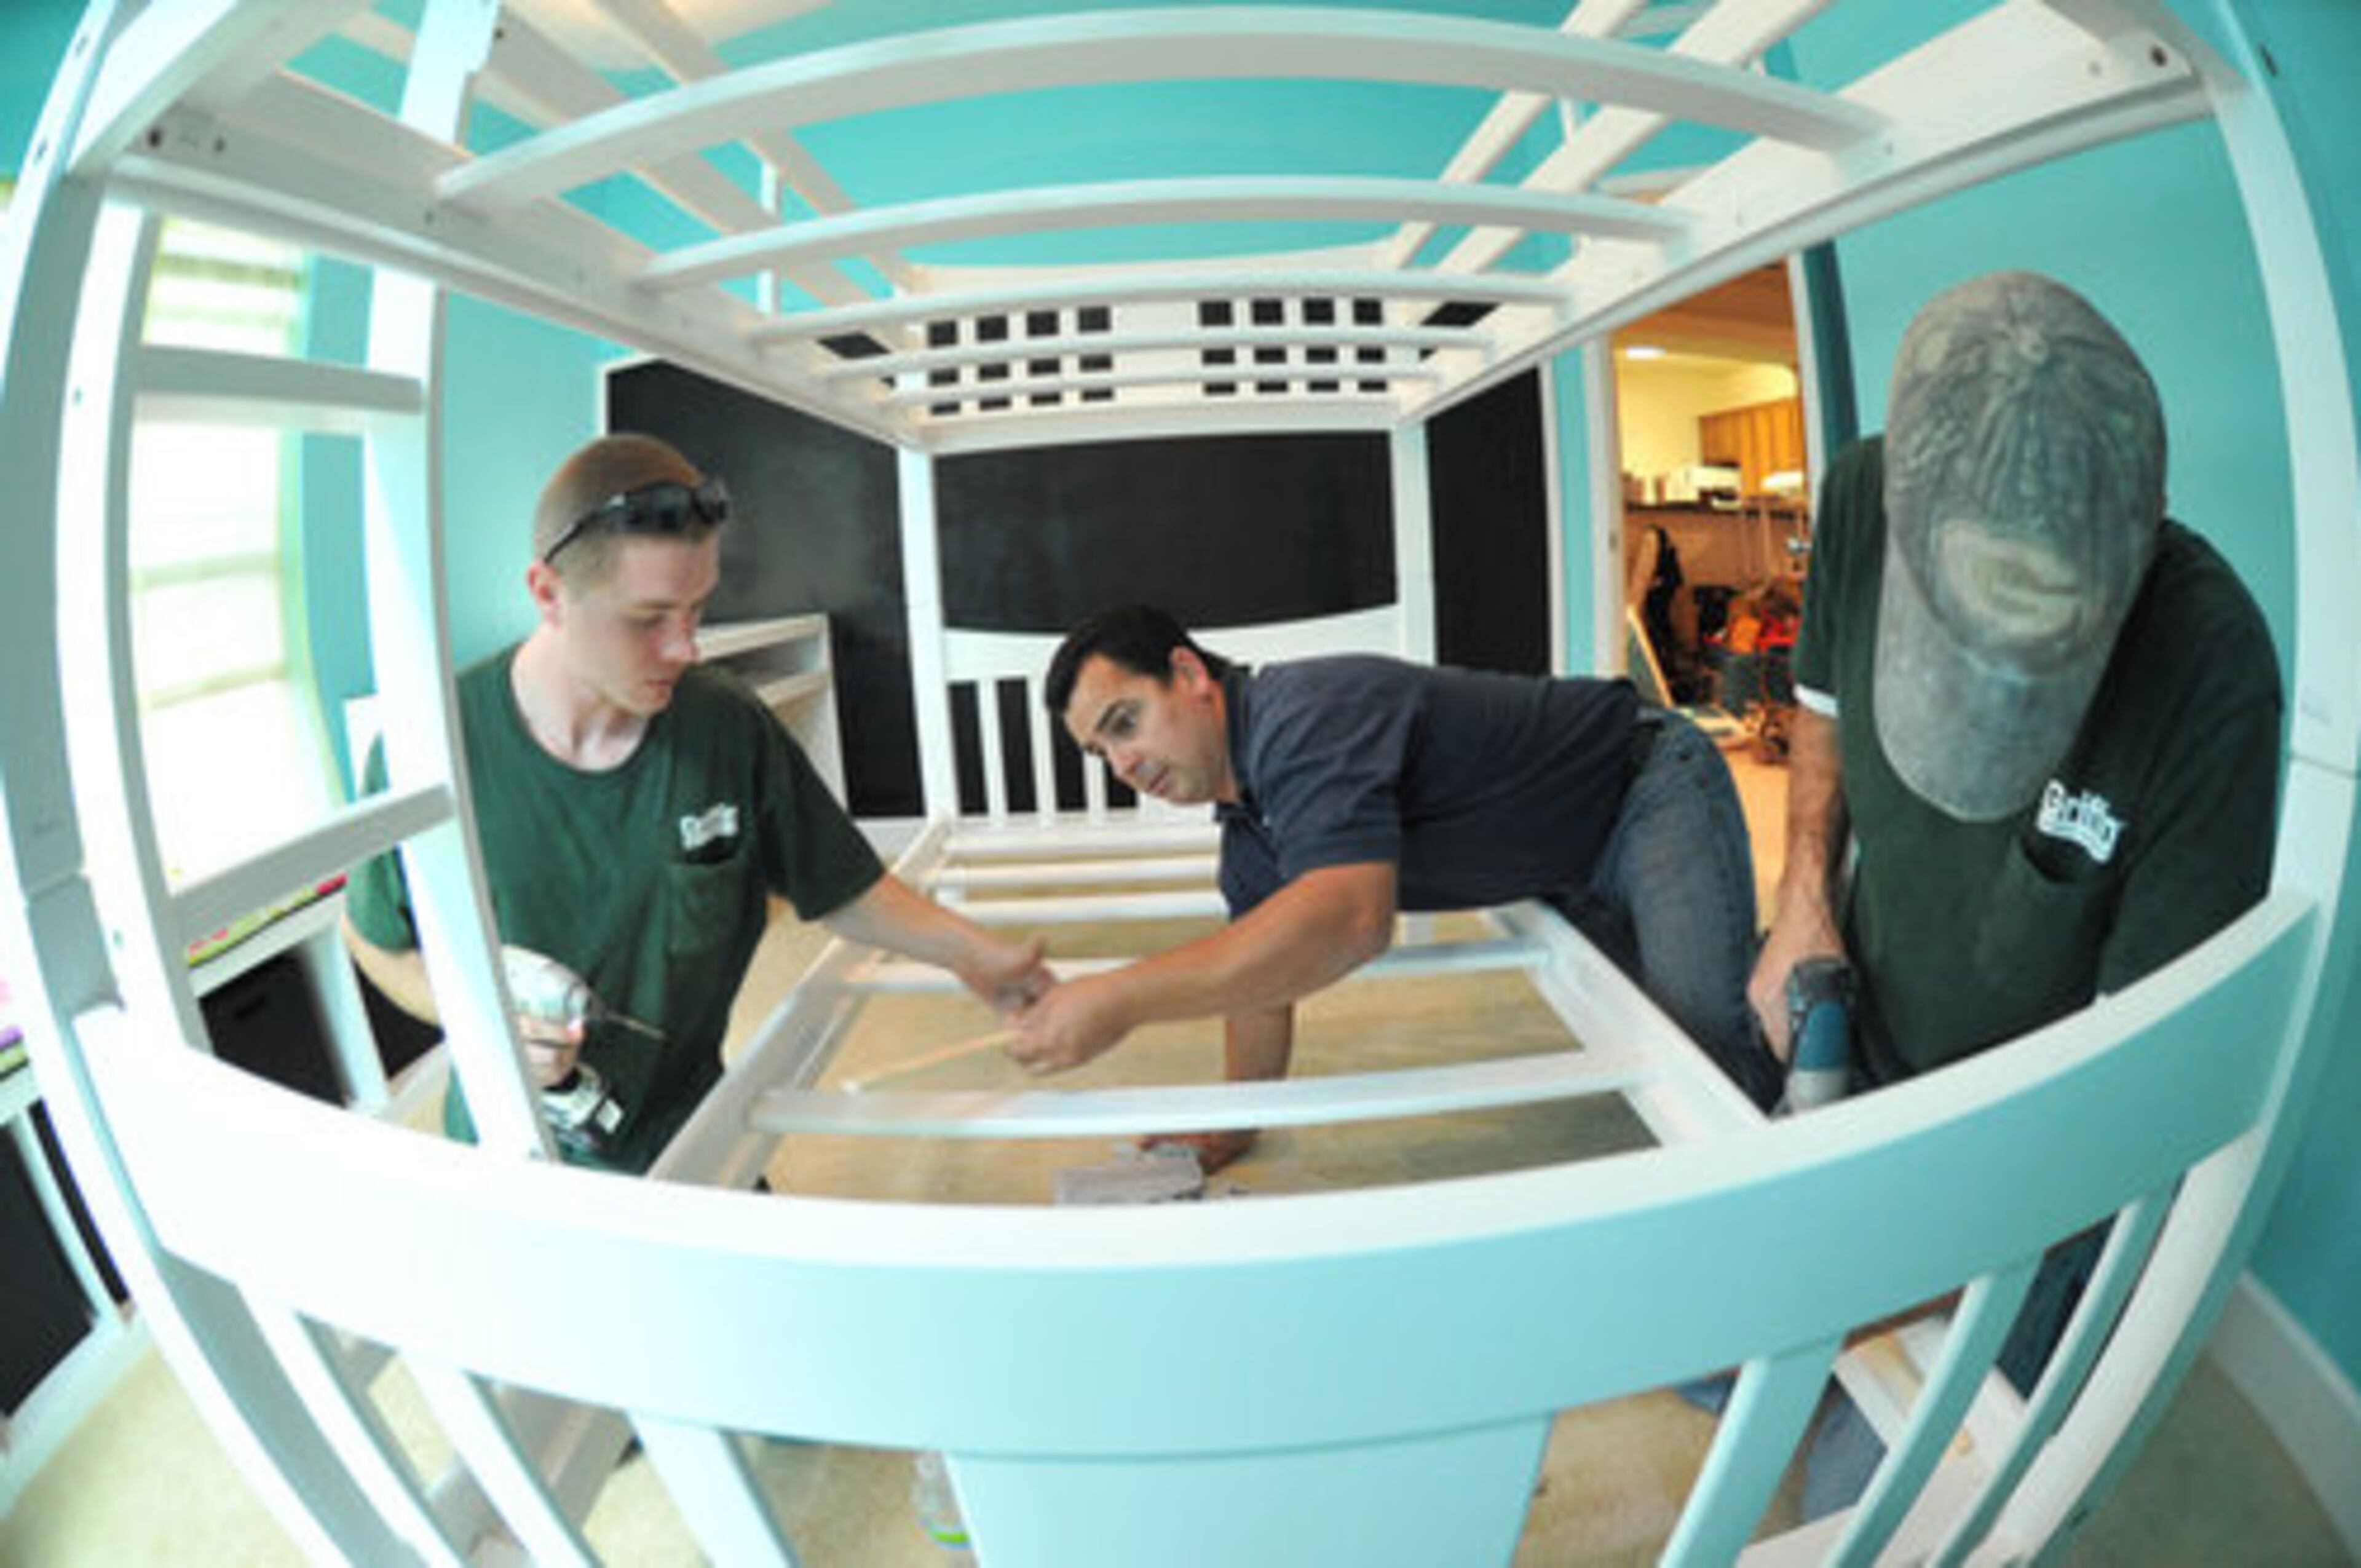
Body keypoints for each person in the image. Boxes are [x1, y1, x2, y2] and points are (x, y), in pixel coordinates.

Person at [1744, 271, 2281, 1508]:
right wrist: (1804, 899)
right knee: (1718, 1377)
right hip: (1872, 1042)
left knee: (1867, 1510)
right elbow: (1820, 719)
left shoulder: (2213, 675)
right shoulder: (1866, 491)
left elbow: (2122, 1121)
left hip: (2045, 1175)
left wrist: (1859, 1290)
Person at [344, 433, 1051, 1174]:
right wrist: (488, 1024)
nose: (686, 648)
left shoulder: (725, 724)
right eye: (649, 619)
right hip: (513, 1159)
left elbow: (841, 884)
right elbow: (375, 940)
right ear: (548, 593)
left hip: (695, 1135)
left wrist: (978, 954)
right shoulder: (432, 747)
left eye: (699, 609)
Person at [1011, 606, 1782, 1168]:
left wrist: (1118, 995)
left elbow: (1350, 919)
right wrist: (1233, 1126)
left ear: (1188, 675)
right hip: (1560, 866)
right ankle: (1780, 975)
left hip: (1642, 787)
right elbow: (1261, 986)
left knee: (1707, 1062)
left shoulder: (1304, 714)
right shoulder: (1248, 836)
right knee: (1663, 1048)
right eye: (1100, 751)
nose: (1124, 764)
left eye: (1125, 722)